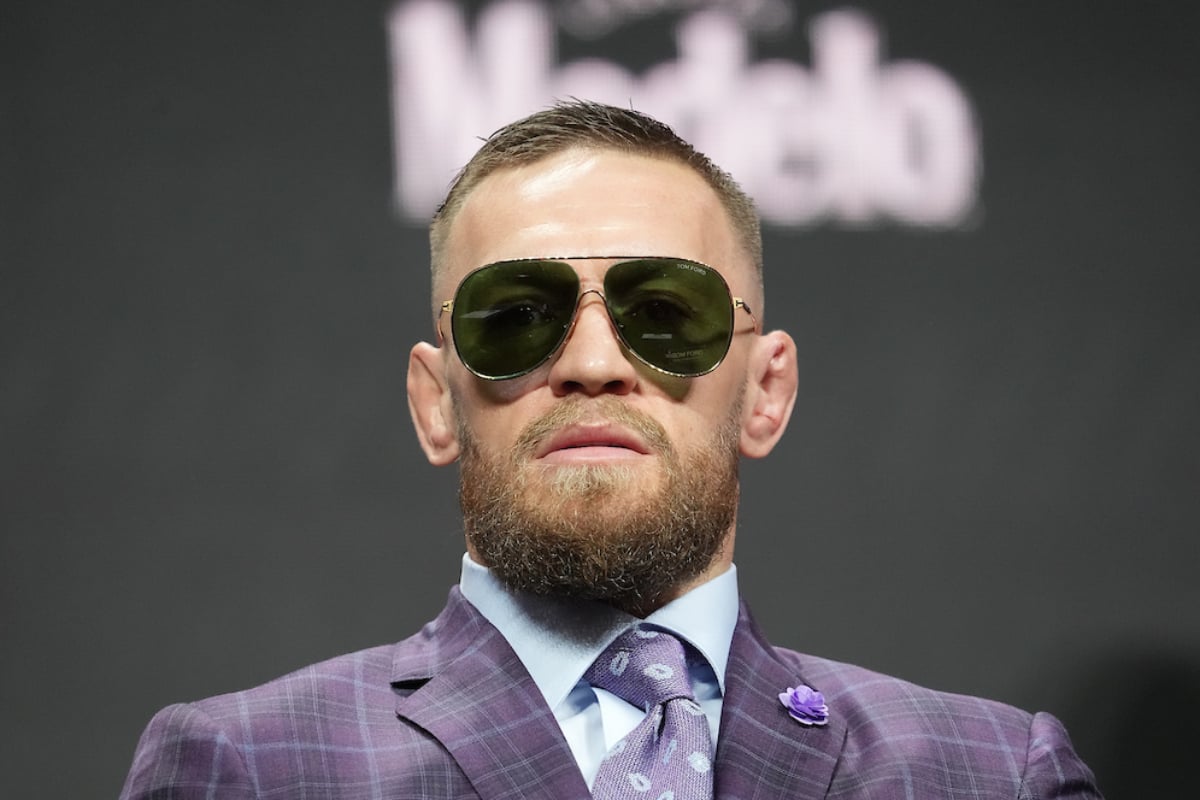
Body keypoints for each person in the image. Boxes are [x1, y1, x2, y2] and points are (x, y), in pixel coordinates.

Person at [120, 100, 1101, 799]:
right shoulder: (252, 769)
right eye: (516, 316)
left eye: (666, 311)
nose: (593, 363)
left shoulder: (987, 774)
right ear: (436, 402)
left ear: (766, 391)